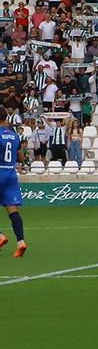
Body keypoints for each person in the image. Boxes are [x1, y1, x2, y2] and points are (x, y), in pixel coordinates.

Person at [0, 110, 25, 258]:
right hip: (10, 173)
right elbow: (21, 157)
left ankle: (1, 236)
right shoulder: (14, 135)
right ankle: (21, 241)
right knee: (12, 209)